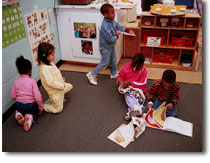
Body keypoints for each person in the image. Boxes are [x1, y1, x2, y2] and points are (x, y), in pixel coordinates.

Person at [86, 3, 134, 85]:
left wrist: (127, 30)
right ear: (105, 15)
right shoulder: (105, 26)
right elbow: (110, 39)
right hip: (105, 47)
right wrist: (116, 35)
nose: (114, 15)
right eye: (112, 13)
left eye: (114, 12)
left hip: (111, 46)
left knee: (113, 60)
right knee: (105, 63)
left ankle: (113, 73)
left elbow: (118, 26)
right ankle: (92, 74)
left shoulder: (112, 21)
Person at [37, 42, 73, 113]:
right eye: (52, 54)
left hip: (59, 86)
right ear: (45, 56)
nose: (54, 56)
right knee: (58, 109)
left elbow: (55, 74)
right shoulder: (44, 68)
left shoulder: (49, 63)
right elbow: (50, 83)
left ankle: (58, 97)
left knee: (70, 86)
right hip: (54, 91)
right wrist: (61, 85)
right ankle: (42, 106)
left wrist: (61, 79)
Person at [11, 55, 44, 132]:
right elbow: (37, 97)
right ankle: (30, 118)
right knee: (35, 111)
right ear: (29, 70)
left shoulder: (16, 82)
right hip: (30, 106)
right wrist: (41, 107)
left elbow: (13, 96)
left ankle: (20, 115)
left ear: (19, 71)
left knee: (21, 108)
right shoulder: (32, 82)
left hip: (18, 105)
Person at [117, 53, 148, 120]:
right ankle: (137, 109)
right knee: (128, 96)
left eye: (138, 67)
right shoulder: (126, 67)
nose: (136, 67)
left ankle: (132, 111)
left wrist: (131, 83)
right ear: (132, 61)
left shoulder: (144, 70)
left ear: (141, 65)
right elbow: (120, 77)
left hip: (139, 88)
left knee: (133, 97)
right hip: (128, 88)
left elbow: (143, 83)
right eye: (134, 65)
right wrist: (120, 82)